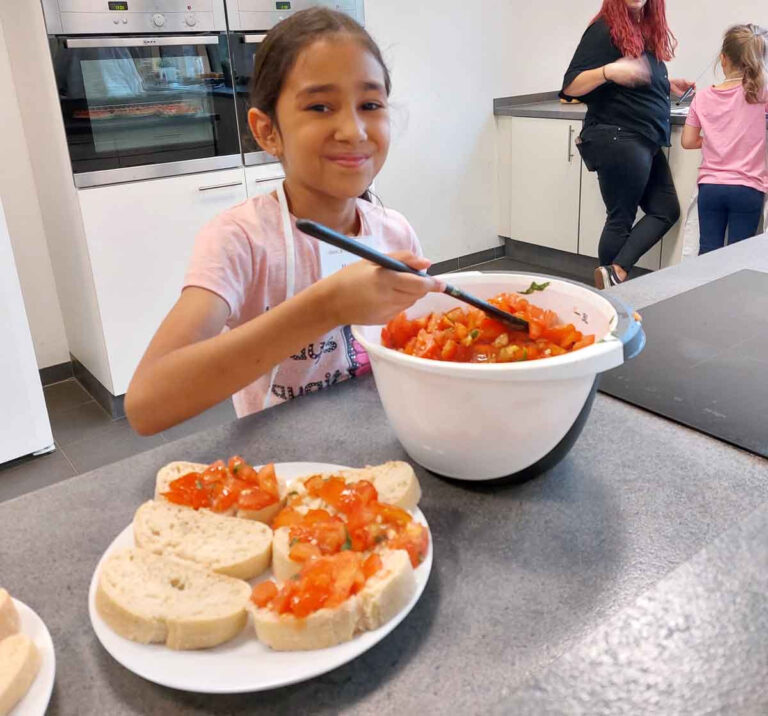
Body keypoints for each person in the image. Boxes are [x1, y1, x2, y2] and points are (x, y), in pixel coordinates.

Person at [125, 8, 442, 435]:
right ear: (267, 131)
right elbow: (147, 404)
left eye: (369, 104)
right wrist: (327, 305)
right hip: (283, 467)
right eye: (320, 106)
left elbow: (418, 352)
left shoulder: (394, 231)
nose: (352, 130)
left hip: (386, 440)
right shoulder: (240, 240)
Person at [559, 0, 693, 288]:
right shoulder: (604, 29)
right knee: (620, 217)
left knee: (665, 209)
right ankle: (612, 297)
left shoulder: (640, 28)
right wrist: (609, 71)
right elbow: (571, 86)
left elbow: (635, 79)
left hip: (644, 137)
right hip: (619, 136)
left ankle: (615, 273)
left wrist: (667, 84)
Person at [682, 24, 768, 254]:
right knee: (737, 257)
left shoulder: (702, 97)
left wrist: (714, 139)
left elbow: (688, 141)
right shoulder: (763, 94)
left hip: (711, 188)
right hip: (748, 189)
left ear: (723, 58)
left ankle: (702, 291)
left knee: (708, 252)